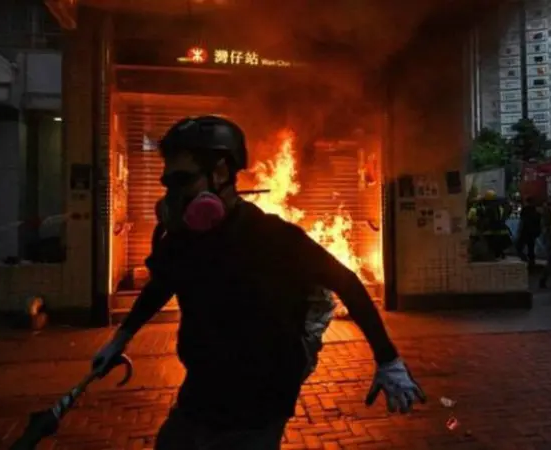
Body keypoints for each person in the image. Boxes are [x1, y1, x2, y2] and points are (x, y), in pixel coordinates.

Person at [91, 116, 424, 450]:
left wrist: (388, 360)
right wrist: (121, 337)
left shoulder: (272, 237)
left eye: (183, 180)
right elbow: (163, 284)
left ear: (221, 173)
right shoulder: (184, 239)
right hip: (199, 397)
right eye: (169, 183)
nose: (173, 195)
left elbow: (347, 282)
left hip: (258, 407)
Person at [516, 196, 542, 269]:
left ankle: (526, 260)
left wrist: (519, 231)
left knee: (519, 248)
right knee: (531, 248)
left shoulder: (525, 210)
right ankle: (531, 263)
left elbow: (522, 222)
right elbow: (539, 223)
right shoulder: (536, 211)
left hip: (525, 232)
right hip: (532, 233)